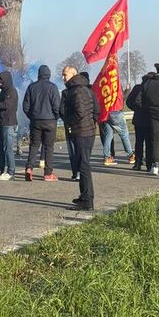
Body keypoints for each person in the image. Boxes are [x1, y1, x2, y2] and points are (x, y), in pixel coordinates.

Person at [60, 66, 100, 211]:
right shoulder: (86, 89)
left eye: (65, 75)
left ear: (73, 74)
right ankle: (84, 196)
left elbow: (80, 112)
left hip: (82, 132)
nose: (63, 78)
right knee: (82, 164)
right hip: (85, 130)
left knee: (83, 166)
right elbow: (96, 110)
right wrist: (91, 123)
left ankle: (88, 201)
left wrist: (70, 122)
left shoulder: (77, 90)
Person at [22, 64, 61, 181]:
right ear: (48, 75)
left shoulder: (31, 87)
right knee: (49, 147)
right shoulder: (53, 87)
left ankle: (29, 168)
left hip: (35, 121)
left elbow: (25, 106)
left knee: (34, 145)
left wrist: (32, 116)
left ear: (39, 74)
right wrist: (55, 117)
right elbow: (57, 106)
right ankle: (48, 173)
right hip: (50, 121)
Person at [126, 76, 150, 170]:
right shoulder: (150, 89)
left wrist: (136, 109)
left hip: (138, 118)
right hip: (149, 119)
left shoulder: (137, 88)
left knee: (139, 142)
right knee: (149, 142)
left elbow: (128, 102)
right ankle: (149, 164)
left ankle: (138, 162)